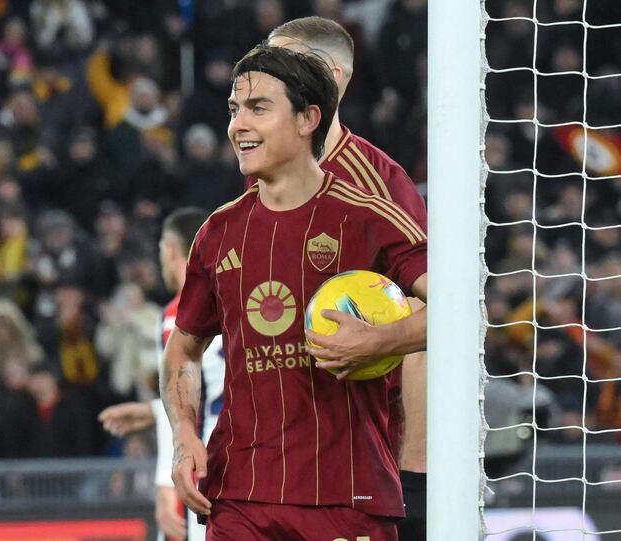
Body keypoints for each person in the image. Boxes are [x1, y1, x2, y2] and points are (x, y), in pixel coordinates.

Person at [162, 44, 427, 540]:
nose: (238, 125)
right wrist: (183, 434)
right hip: (239, 494)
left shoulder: (369, 218)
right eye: (234, 110)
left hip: (347, 493)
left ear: (308, 119)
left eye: (258, 108)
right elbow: (183, 350)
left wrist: (380, 340)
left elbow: (461, 310)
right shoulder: (217, 234)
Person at [263, 16, 429, 540]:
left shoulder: (377, 184)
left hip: (360, 457)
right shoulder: (265, 172)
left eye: (281, 63)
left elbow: (438, 310)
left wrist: (416, 474)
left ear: (330, 78)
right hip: (281, 451)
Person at [99, 207, 224, 541]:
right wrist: (153, 410)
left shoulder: (179, 314)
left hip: (203, 464)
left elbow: (185, 401)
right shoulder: (235, 299)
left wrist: (165, 486)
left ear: (170, 249)